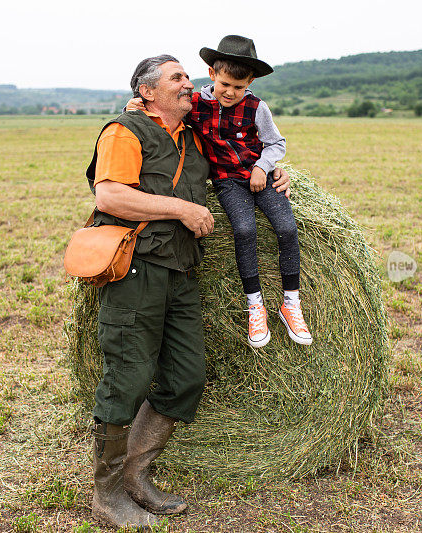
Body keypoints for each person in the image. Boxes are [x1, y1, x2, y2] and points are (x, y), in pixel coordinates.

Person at [84, 54, 290, 529]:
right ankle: (107, 494)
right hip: (137, 269)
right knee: (128, 377)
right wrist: (179, 209)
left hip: (182, 271)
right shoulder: (125, 131)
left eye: (187, 77)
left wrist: (275, 171)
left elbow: (241, 157)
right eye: (177, 77)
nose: (189, 83)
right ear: (147, 91)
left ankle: (136, 477)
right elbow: (109, 195)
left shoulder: (195, 135)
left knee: (186, 375)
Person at [128, 35, 312, 349]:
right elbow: (162, 113)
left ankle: (290, 302)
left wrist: (265, 167)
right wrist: (134, 106)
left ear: (250, 83)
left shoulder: (257, 107)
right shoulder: (196, 104)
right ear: (212, 74)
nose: (230, 92)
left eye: (239, 87)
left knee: (286, 227)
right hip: (227, 183)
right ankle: (256, 304)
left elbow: (276, 143)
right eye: (225, 84)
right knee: (243, 229)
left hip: (260, 178)